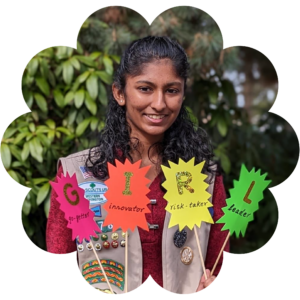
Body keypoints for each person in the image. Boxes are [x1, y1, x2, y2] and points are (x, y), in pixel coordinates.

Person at [46, 36, 229, 294]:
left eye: (171, 90)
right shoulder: (77, 175)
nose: (159, 103)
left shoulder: (203, 177)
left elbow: (217, 264)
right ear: (120, 93)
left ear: (183, 94)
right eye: (145, 88)